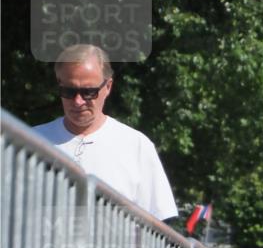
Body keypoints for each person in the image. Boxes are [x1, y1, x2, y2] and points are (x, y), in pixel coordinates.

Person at [33, 44, 178, 221]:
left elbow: (163, 225)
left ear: (108, 87)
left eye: (89, 92)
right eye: (69, 91)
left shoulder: (137, 146)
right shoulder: (31, 141)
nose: (78, 101)